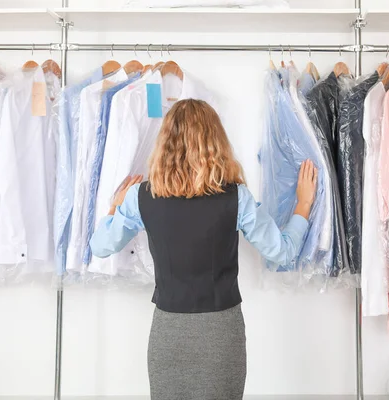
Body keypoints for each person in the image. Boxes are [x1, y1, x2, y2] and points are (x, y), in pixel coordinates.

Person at [90, 99, 317, 400]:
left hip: (168, 333)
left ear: (165, 143)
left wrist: (113, 208)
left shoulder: (139, 197)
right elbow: (283, 253)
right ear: (216, 141)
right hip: (221, 332)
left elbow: (101, 246)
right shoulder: (237, 198)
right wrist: (303, 205)